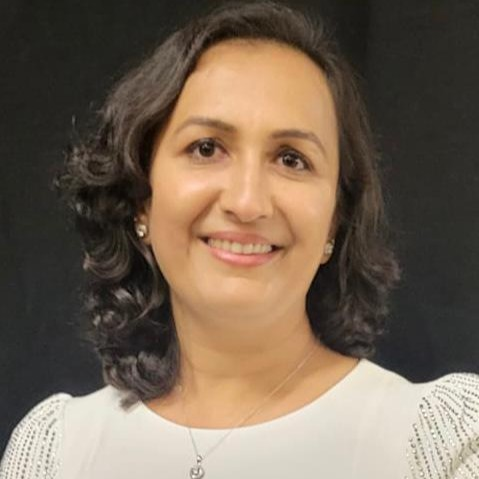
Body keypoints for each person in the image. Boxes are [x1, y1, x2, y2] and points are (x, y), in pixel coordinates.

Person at [1, 1, 478, 478]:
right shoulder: (55, 451)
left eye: (291, 159)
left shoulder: (446, 443)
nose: (248, 202)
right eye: (206, 148)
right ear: (140, 197)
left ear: (335, 220)